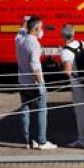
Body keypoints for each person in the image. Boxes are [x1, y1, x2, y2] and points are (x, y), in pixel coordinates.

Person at [16, 16, 57, 150]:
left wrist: (25, 18)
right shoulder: (34, 44)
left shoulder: (20, 40)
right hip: (34, 83)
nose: (42, 30)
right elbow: (35, 66)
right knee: (42, 111)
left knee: (25, 111)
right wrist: (40, 84)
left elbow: (21, 29)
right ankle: (42, 141)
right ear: (36, 29)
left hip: (22, 82)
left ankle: (27, 141)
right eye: (41, 27)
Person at [60, 24, 84, 148]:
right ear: (73, 33)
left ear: (63, 36)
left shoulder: (65, 51)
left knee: (80, 112)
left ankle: (83, 139)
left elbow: (67, 72)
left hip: (78, 84)